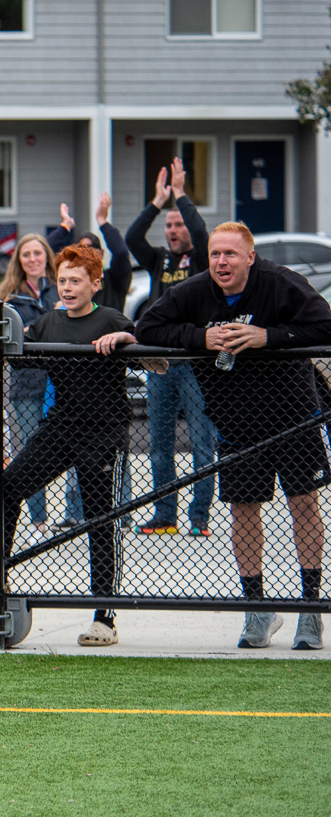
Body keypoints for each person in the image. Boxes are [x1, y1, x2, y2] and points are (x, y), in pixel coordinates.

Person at [137, 222, 331, 651]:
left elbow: (326, 327)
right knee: (244, 510)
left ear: (250, 257)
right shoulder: (194, 291)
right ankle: (257, 606)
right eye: (215, 255)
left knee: (304, 503)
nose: (221, 262)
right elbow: (147, 327)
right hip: (236, 422)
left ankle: (312, 609)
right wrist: (199, 337)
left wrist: (270, 337)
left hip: (293, 416)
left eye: (230, 254)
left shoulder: (281, 284)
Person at [4, 246, 141, 647]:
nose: (67, 287)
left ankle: (105, 616)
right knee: (7, 488)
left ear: (95, 284)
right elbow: (15, 354)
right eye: (62, 280)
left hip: (104, 433)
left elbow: (154, 358)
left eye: (76, 281)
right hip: (61, 428)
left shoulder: (110, 319)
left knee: (100, 518)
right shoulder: (48, 322)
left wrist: (127, 337)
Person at [126, 158, 215, 535]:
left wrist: (181, 195)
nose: (174, 229)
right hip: (160, 362)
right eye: (169, 225)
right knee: (159, 444)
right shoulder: (159, 259)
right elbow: (132, 238)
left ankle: (199, 517)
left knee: (201, 443)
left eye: (179, 224)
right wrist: (157, 203)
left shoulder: (201, 259)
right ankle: (165, 515)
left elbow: (202, 230)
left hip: (195, 362)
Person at [49, 193, 137, 527]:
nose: (68, 285)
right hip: (70, 405)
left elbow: (124, 253)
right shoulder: (57, 312)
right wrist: (64, 228)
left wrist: (103, 221)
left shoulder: (115, 284)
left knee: (107, 473)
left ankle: (120, 510)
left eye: (91, 250)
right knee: (72, 460)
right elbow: (51, 257)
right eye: (64, 280)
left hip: (105, 401)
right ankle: (74, 513)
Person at [0, 233, 74, 535]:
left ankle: (74, 514)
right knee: (32, 449)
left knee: (69, 445)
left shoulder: (60, 290)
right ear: (19, 260)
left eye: (38, 253)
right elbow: (3, 336)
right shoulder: (10, 297)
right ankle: (38, 519)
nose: (32, 259)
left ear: (46, 257)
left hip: (60, 380)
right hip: (26, 384)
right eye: (26, 254)